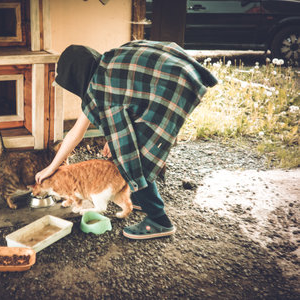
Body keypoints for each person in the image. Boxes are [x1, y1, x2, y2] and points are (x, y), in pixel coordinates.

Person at [35, 40, 218, 240]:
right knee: (129, 149)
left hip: (173, 86)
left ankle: (159, 220)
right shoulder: (107, 65)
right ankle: (141, 198)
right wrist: (112, 139)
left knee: (135, 156)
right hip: (181, 72)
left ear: (76, 77)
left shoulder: (100, 88)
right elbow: (113, 115)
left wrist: (51, 167)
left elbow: (118, 141)